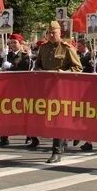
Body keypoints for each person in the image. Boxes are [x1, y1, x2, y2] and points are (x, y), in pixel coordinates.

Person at [33, 21, 83, 163]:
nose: (51, 35)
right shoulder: (43, 48)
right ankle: (63, 140)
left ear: (60, 33)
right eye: (49, 33)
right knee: (48, 118)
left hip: (62, 89)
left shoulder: (67, 48)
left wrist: (64, 72)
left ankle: (57, 151)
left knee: (57, 118)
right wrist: (38, 71)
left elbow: (78, 68)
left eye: (54, 32)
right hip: (46, 89)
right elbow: (37, 66)